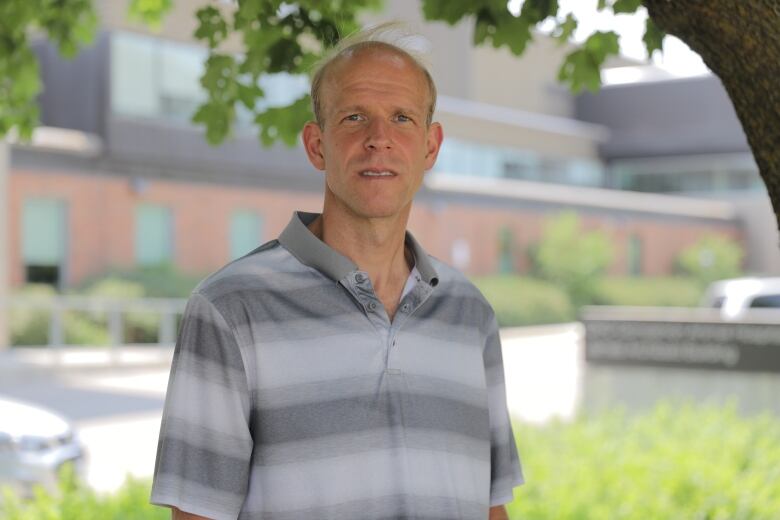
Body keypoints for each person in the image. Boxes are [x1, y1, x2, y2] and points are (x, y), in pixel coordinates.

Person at [150, 22, 524, 520]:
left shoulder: (471, 314)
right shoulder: (230, 310)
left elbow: (490, 507)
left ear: (430, 147)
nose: (378, 140)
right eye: (353, 117)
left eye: (401, 118)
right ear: (316, 145)